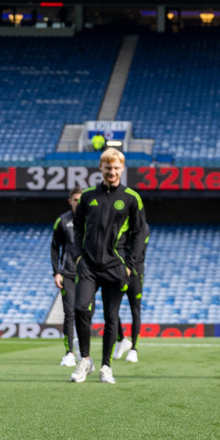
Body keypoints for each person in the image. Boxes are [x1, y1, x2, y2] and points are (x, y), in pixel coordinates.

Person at [69, 149, 143, 384]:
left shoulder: (132, 198)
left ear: (122, 169)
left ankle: (106, 367)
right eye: (107, 168)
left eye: (116, 168)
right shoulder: (89, 196)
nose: (112, 172)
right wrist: (79, 256)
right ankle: (85, 360)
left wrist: (130, 265)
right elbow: (77, 227)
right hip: (89, 265)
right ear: (100, 168)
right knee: (81, 309)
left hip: (116, 267)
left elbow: (139, 234)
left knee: (112, 317)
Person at [114, 202, 150, 363]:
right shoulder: (120, 225)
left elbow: (138, 250)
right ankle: (121, 339)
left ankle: (134, 349)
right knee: (112, 309)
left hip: (135, 272)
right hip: (118, 271)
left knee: (135, 311)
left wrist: (129, 266)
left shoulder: (142, 228)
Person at [51, 187, 83, 367]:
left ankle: (83, 349)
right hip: (69, 274)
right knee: (69, 313)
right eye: (75, 199)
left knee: (84, 313)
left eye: (81, 199)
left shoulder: (91, 220)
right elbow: (55, 247)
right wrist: (56, 271)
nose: (78, 202)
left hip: (88, 274)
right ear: (70, 200)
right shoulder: (62, 221)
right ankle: (69, 352)